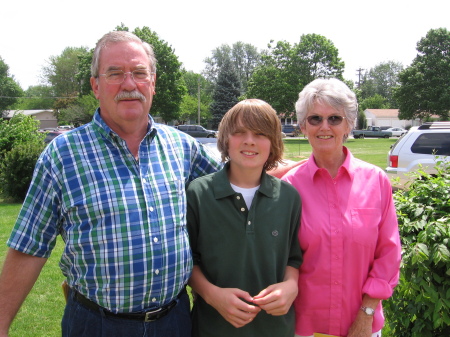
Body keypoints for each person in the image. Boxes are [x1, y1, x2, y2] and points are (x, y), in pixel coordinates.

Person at [0, 31, 223, 337]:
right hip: (97, 325)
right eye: (115, 73)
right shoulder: (63, 155)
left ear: (153, 83)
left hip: (175, 322)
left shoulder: (182, 148)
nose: (129, 84)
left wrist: (301, 170)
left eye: (139, 73)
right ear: (96, 85)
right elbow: (29, 248)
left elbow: (236, 180)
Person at [282, 78, 402, 337]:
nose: (324, 127)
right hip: (304, 327)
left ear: (349, 124)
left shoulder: (376, 181)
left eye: (334, 118)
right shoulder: (287, 188)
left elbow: (389, 253)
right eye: (315, 119)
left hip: (362, 324)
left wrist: (367, 313)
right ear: (303, 126)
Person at [186, 99, 303, 337]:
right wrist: (211, 294)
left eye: (260, 134)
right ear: (226, 140)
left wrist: (291, 285)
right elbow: (187, 261)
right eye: (240, 132)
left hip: (274, 328)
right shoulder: (198, 194)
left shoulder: (289, 197)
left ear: (273, 143)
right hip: (213, 327)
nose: (249, 140)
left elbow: (293, 257)